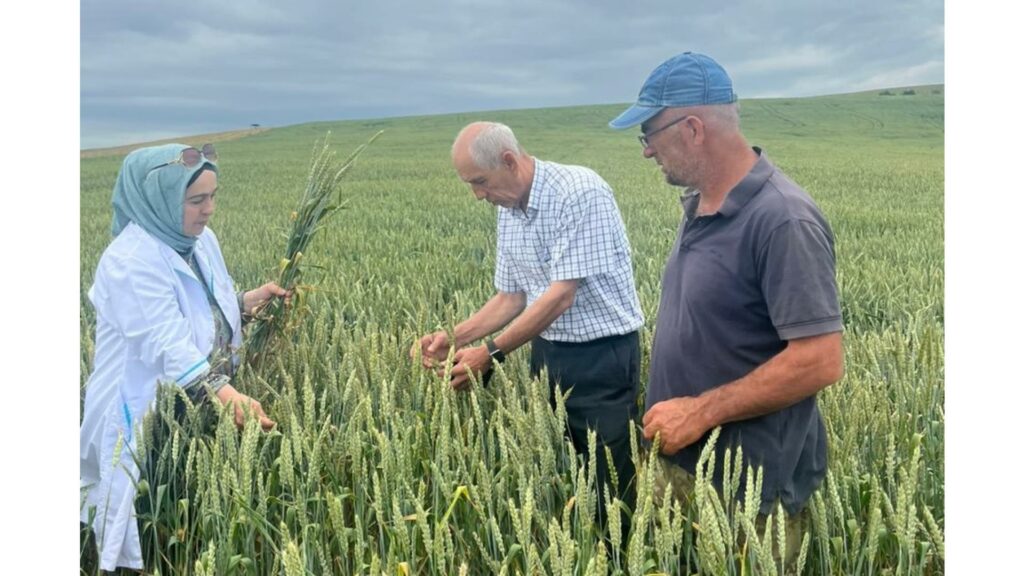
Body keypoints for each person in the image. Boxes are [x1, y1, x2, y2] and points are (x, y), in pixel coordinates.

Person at [609, 52, 845, 563]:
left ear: (693, 129)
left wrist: (699, 412)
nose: (646, 151)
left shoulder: (782, 219)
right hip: (681, 463)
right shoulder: (701, 206)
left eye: (649, 134)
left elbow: (820, 360)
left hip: (748, 495)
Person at [411, 121, 645, 519]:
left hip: (601, 358)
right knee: (563, 473)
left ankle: (618, 547)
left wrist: (490, 353)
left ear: (509, 160)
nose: (477, 195)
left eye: (480, 182)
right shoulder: (510, 209)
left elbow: (560, 296)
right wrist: (452, 337)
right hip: (547, 352)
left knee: (609, 483)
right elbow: (511, 297)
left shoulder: (579, 192)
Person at [80, 143, 287, 572]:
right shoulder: (129, 261)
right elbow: (166, 341)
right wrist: (225, 393)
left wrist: (244, 303)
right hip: (144, 410)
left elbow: (202, 306)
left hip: (192, 407)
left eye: (213, 196)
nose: (209, 210)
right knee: (147, 507)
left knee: (186, 501)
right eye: (196, 200)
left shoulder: (198, 240)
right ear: (158, 200)